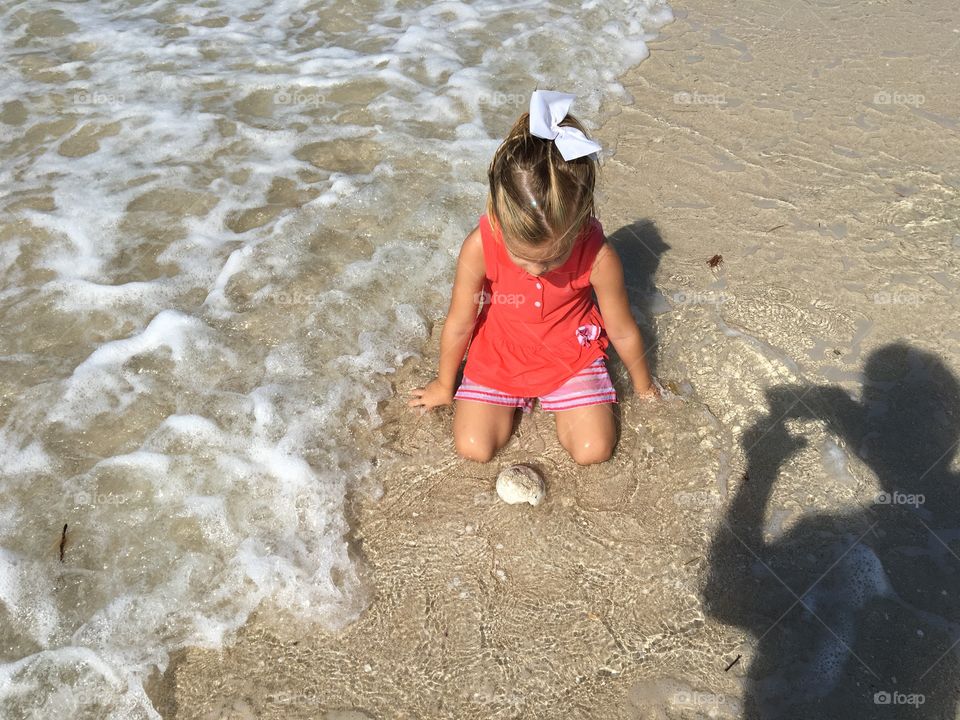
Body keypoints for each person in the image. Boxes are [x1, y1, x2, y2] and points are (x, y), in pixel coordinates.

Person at [408, 90, 658, 465]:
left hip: (570, 352)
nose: (538, 270)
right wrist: (445, 384)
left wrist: (645, 387)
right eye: (523, 258)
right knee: (473, 447)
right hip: (499, 351)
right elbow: (460, 322)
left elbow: (621, 329)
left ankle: (563, 397)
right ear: (497, 218)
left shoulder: (598, 255)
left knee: (593, 451)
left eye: (554, 258)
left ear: (579, 226)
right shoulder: (479, 246)